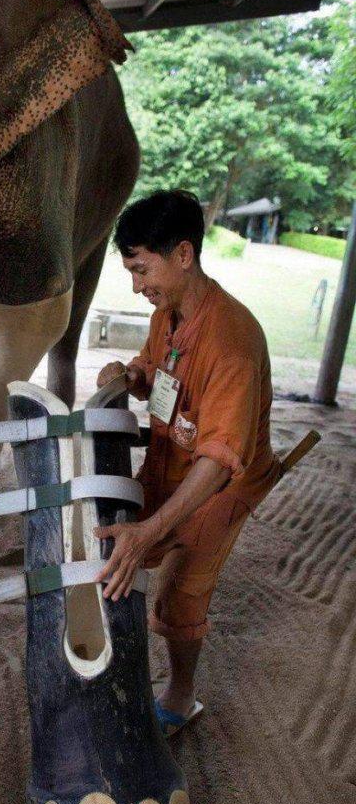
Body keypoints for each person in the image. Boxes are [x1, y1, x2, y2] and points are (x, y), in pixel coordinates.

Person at [94, 189, 280, 737]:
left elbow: (220, 462)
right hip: (174, 457)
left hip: (224, 481)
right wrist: (128, 378)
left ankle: (180, 693)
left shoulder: (233, 342)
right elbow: (155, 373)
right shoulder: (167, 314)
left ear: (182, 254)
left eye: (141, 269)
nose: (136, 285)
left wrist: (154, 527)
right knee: (119, 540)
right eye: (129, 271)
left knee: (180, 589)